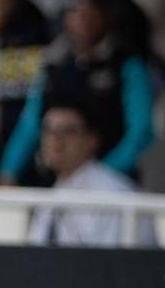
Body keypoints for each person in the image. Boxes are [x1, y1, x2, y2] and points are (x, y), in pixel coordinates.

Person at [0, 0, 155, 186]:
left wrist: (100, 175)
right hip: (55, 181)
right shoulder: (52, 64)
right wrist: (8, 172)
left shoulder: (126, 64)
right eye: (76, 12)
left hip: (114, 181)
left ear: (106, 17)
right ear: (66, 18)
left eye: (91, 13)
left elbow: (141, 130)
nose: (83, 19)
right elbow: (30, 123)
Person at [26, 99, 156, 247]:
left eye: (68, 131)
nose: (56, 140)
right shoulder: (54, 192)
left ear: (91, 140)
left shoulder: (113, 193)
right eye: (49, 130)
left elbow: (112, 263)